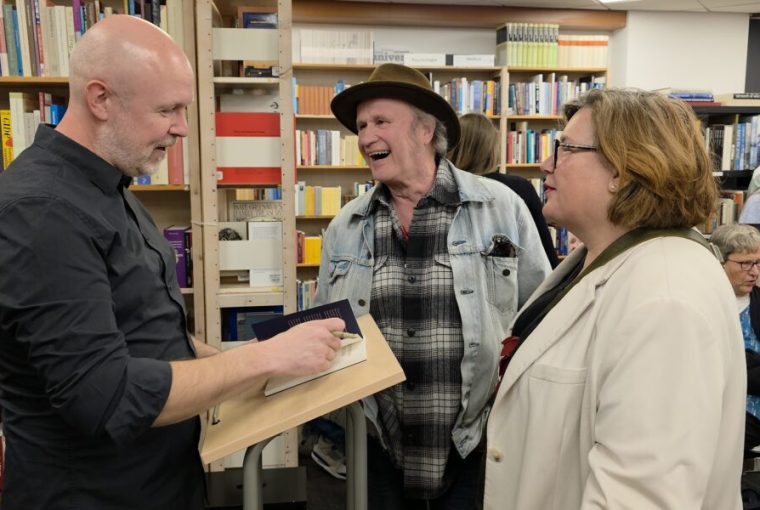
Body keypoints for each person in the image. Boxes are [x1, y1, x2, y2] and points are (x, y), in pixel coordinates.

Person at [0, 15, 344, 510]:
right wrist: (264, 358)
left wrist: (251, 369)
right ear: (100, 99)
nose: (182, 128)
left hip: (161, 481)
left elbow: (152, 334)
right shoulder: (43, 211)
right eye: (167, 110)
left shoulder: (110, 186)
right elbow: (106, 394)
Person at [484, 88, 746, 509]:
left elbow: (641, 496)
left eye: (566, 148)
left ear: (622, 171)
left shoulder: (665, 298)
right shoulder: (602, 258)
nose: (546, 163)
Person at [315, 63, 551, 509]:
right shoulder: (345, 226)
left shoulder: (501, 208)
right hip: (378, 449)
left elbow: (539, 320)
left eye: (380, 122)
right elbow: (329, 329)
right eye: (361, 126)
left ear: (426, 130)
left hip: (475, 447)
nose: (365, 137)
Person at [448, 112, 559, 267]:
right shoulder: (519, 188)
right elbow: (545, 257)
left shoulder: (443, 189)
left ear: (453, 147)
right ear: (493, 148)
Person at [711, 224, 760, 458]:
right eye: (745, 264)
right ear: (720, 262)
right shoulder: (705, 305)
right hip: (716, 414)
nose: (754, 272)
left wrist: (741, 367)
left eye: (758, 262)